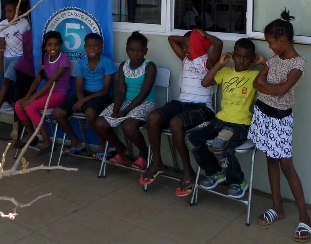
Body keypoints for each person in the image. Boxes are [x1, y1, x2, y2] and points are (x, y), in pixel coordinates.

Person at [250, 10, 311, 242]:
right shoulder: (274, 59)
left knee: (286, 165)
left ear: (283, 39)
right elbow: (257, 83)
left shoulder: (298, 64)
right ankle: (277, 207)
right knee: (271, 159)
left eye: (271, 42)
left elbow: (280, 91)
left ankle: (305, 218)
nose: (269, 47)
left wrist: (266, 86)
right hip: (263, 113)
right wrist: (268, 87)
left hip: (280, 119)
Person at [139, 29, 222, 196]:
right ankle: (157, 162)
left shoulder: (208, 62)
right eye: (183, 46)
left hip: (202, 108)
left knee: (175, 123)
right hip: (181, 103)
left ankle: (187, 170)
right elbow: (171, 38)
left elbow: (218, 44)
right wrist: (189, 40)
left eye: (188, 47)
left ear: (198, 46)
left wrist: (202, 36)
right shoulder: (185, 59)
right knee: (153, 117)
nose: (184, 50)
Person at [185, 38, 265, 198]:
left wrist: (264, 62)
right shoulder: (225, 72)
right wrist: (219, 64)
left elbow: (275, 75)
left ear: (252, 59)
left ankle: (237, 182)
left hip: (239, 125)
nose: (241, 61)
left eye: (246, 58)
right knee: (190, 136)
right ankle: (215, 171)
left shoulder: (255, 75)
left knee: (218, 144)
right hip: (219, 121)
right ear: (233, 56)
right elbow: (205, 82)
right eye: (238, 56)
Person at [94, 31, 157, 167]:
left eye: (139, 51)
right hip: (125, 102)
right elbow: (121, 90)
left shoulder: (150, 66)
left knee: (129, 126)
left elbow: (143, 93)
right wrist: (116, 109)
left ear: (145, 51)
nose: (136, 54)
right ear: (127, 51)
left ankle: (144, 155)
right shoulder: (124, 66)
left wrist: (125, 111)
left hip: (144, 103)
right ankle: (120, 148)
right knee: (100, 123)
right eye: (132, 50)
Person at [52, 33, 115, 155]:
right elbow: (78, 86)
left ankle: (102, 143)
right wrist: (81, 98)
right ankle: (75, 141)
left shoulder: (107, 63)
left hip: (102, 96)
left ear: (101, 46)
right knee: (57, 112)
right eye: (89, 46)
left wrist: (83, 101)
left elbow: (105, 90)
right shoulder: (81, 63)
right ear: (85, 47)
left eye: (95, 46)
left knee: (90, 113)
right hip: (85, 94)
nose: (92, 48)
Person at [14, 31, 70, 156]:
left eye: (56, 44)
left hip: (59, 94)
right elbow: (37, 80)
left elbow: (51, 82)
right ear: (45, 46)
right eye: (49, 45)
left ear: (60, 45)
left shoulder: (64, 59)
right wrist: (27, 97)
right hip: (47, 93)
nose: (53, 48)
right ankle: (31, 135)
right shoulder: (45, 59)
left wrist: (31, 99)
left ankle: (46, 140)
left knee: (30, 107)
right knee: (18, 105)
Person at [0, 0, 31, 124]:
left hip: (19, 57)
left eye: (10, 11)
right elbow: (2, 43)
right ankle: (10, 103)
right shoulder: (3, 24)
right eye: (6, 11)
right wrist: (0, 60)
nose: (7, 14)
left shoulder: (25, 24)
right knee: (9, 81)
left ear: (18, 11)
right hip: (7, 56)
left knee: (6, 80)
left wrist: (26, 59)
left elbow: (27, 43)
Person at [10, 26, 35, 139]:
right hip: (28, 69)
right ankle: (20, 127)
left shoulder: (28, 33)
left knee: (21, 97)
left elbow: (26, 52)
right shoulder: (32, 33)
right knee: (23, 98)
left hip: (24, 68)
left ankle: (19, 127)